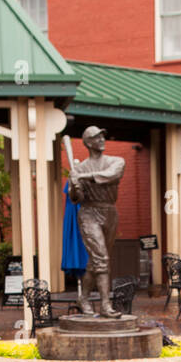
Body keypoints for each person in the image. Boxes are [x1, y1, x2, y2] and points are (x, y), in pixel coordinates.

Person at [67, 126, 125, 318]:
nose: (101, 139)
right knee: (102, 259)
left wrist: (82, 177)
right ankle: (106, 305)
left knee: (96, 261)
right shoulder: (79, 168)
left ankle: (83, 298)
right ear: (88, 143)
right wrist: (74, 185)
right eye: (96, 137)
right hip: (89, 212)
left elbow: (112, 176)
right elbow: (76, 198)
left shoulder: (116, 161)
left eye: (102, 136)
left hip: (109, 211)